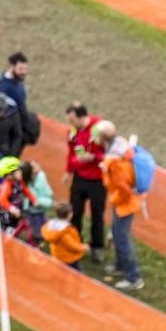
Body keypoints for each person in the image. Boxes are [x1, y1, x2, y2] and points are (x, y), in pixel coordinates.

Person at [95, 120, 143, 290]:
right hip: (125, 200)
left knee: (121, 238)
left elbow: (122, 187)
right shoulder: (121, 145)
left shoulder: (114, 162)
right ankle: (120, 265)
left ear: (102, 138)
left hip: (125, 203)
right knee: (117, 233)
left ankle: (133, 277)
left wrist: (114, 200)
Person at [64, 102, 107, 264]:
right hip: (80, 178)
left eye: (72, 120)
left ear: (82, 117)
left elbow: (110, 153)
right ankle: (75, 243)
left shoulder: (100, 128)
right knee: (75, 212)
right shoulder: (73, 132)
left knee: (97, 215)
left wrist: (95, 158)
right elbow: (71, 152)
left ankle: (97, 248)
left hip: (97, 180)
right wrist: (68, 171)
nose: (71, 124)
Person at [0, 51, 38, 156]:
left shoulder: (17, 81)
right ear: (11, 66)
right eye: (21, 69)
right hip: (9, 133)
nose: (24, 72)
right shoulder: (3, 87)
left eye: (25, 69)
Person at [0, 155, 35, 240]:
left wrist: (33, 199)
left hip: (17, 211)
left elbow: (25, 190)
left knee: (15, 228)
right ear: (9, 175)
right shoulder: (7, 186)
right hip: (8, 215)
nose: (21, 172)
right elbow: (1, 200)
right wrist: (12, 209)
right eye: (18, 171)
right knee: (8, 232)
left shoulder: (19, 182)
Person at [40, 202, 87, 271]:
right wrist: (83, 247)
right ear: (70, 215)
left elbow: (44, 229)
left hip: (57, 256)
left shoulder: (52, 226)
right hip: (69, 259)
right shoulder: (64, 231)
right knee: (77, 275)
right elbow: (72, 245)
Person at [19, 159, 53, 242]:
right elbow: (33, 201)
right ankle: (35, 243)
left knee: (44, 228)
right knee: (36, 232)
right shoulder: (28, 185)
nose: (38, 165)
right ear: (31, 173)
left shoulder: (40, 177)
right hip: (32, 212)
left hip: (40, 210)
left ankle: (38, 240)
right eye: (34, 166)